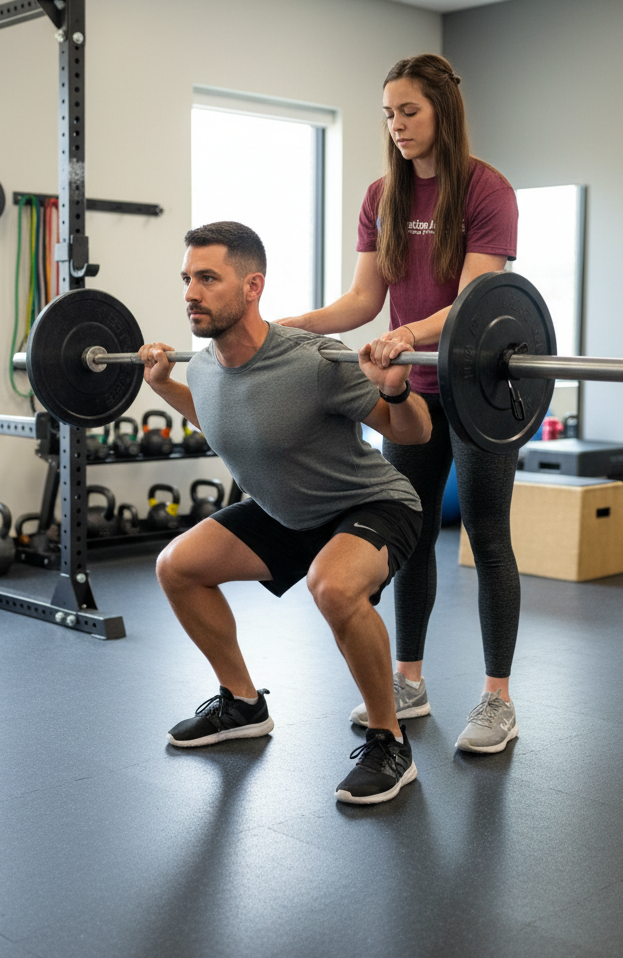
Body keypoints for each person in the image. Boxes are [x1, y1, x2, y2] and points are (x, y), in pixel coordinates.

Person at [140, 220, 432, 806]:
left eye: (207, 278)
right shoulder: (201, 367)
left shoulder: (316, 362)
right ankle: (242, 703)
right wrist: (164, 386)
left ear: (253, 286)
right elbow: (223, 420)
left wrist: (397, 391)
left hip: (370, 503)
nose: (190, 293)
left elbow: (415, 433)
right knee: (178, 567)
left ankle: (389, 741)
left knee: (333, 587)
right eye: (186, 279)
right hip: (285, 511)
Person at [279, 53, 520, 754]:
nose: (397, 124)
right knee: (409, 536)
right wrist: (278, 328)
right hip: (415, 388)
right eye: (389, 112)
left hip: (483, 392)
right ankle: (408, 681)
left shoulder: (485, 190)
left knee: (487, 534)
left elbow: (475, 297)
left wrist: (405, 335)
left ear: (442, 109)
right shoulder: (383, 195)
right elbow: (362, 302)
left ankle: (497, 699)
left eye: (408, 110)